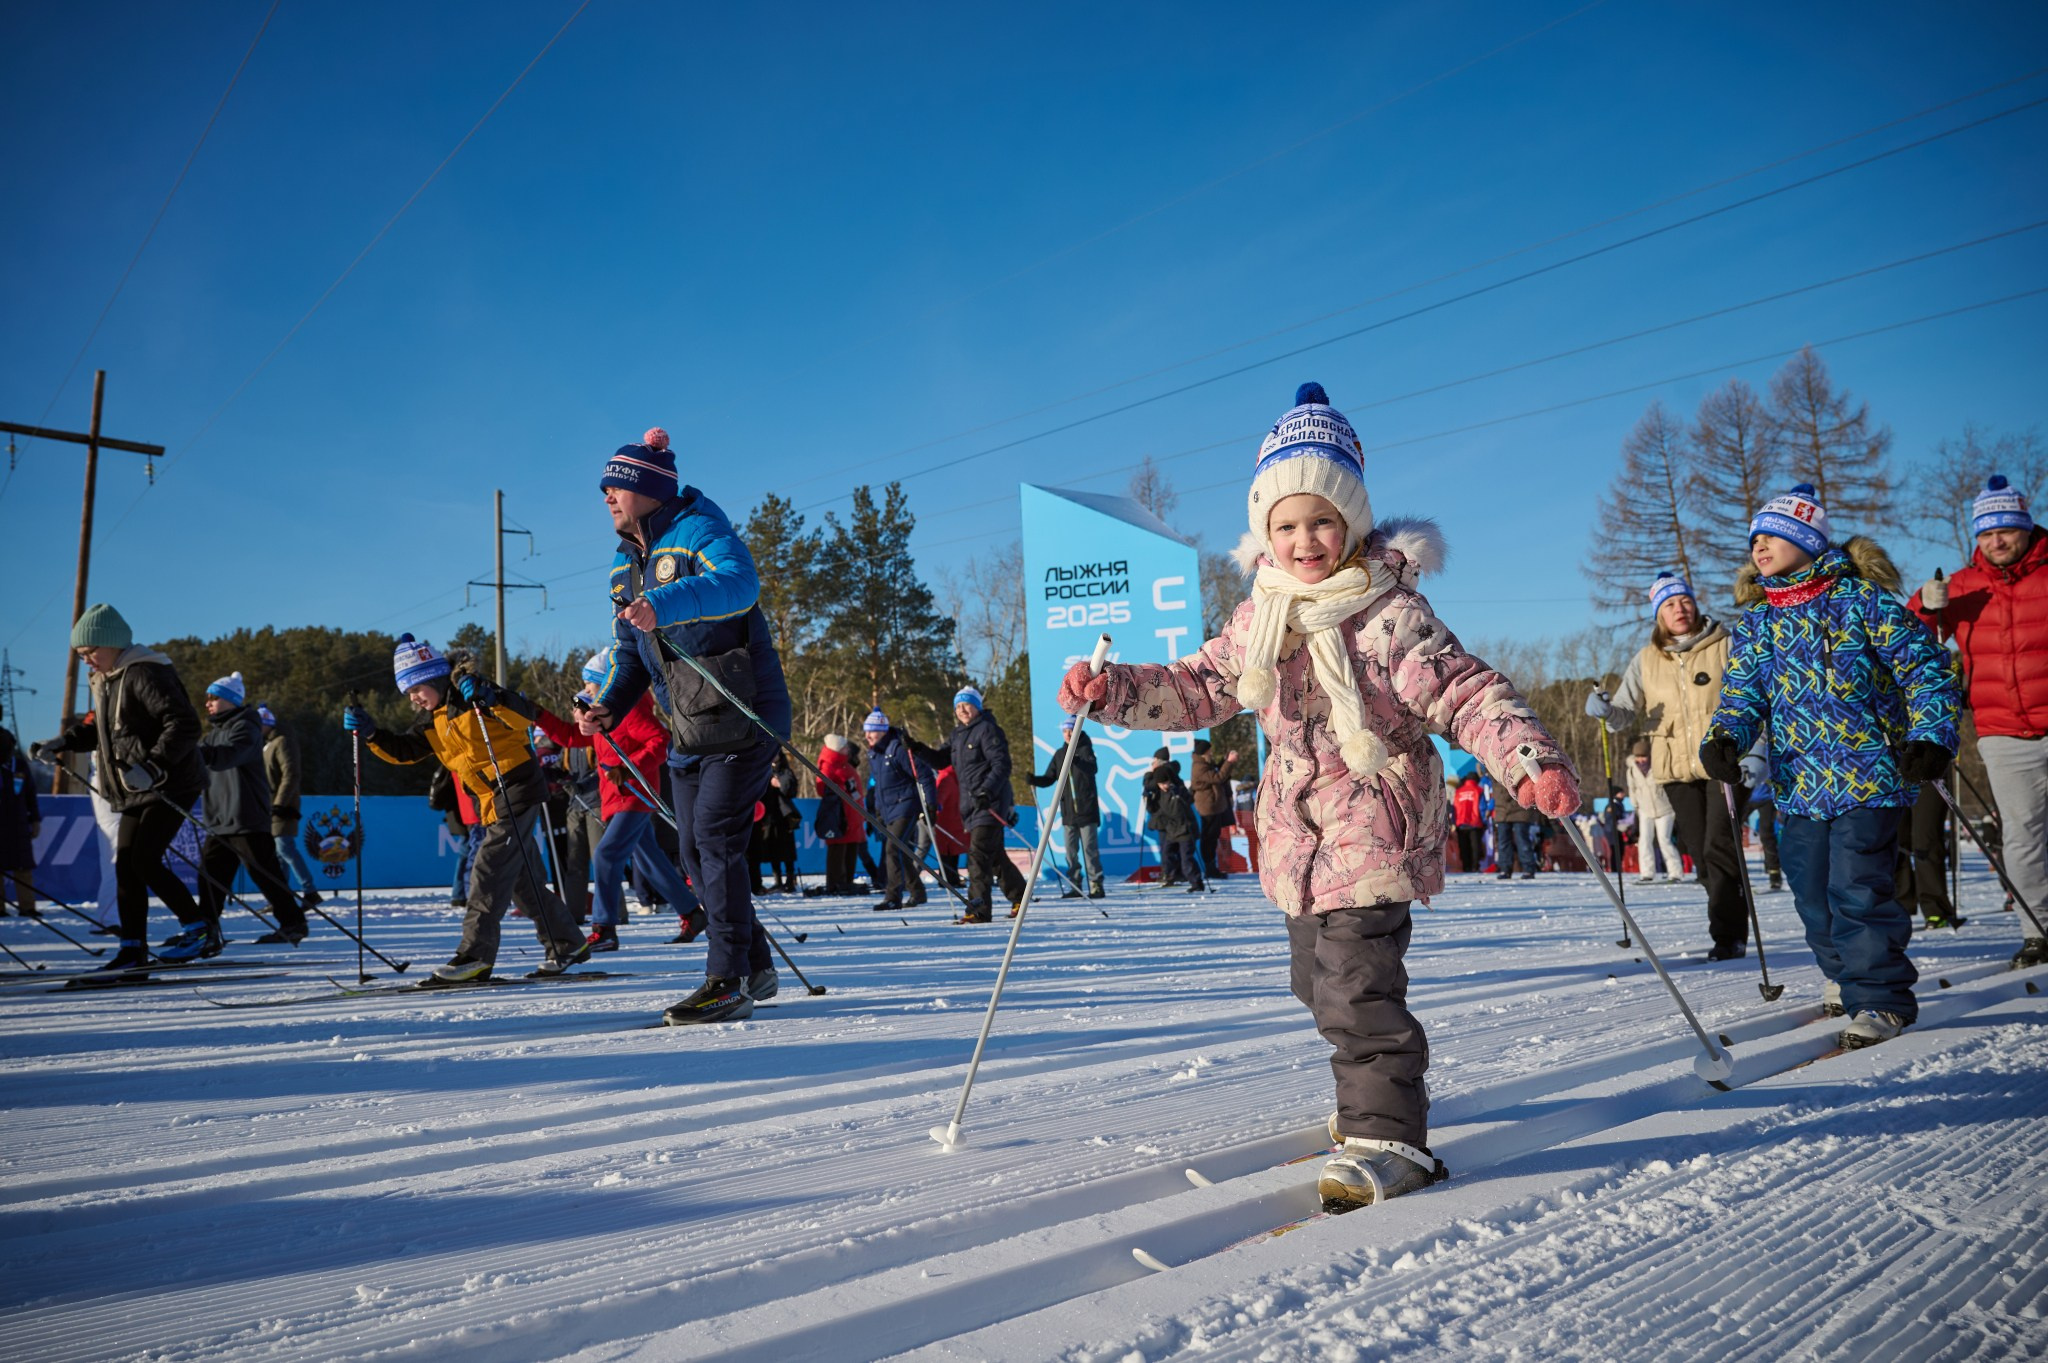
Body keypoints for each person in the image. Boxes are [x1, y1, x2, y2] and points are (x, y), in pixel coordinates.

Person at [1057, 382, 1577, 1211]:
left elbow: (1468, 694)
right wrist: (1112, 690)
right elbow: (1195, 689)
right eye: (1287, 525)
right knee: (1317, 982)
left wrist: (1527, 757)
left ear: (1355, 524)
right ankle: (1376, 1102)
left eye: (1324, 522)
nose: (1306, 540)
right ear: (1265, 532)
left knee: (1357, 986)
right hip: (1299, 840)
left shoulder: (1388, 614)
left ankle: (1389, 1135)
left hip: (1374, 824)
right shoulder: (1261, 615)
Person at [1703, 484, 1960, 1047]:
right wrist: (1725, 737)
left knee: (1858, 887)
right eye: (1755, 539)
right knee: (1810, 891)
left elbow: (1927, 672)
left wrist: (1932, 736)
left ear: (1807, 540)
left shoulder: (1864, 601)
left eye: (1772, 535)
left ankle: (1881, 998)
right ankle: (1843, 977)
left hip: (1870, 772)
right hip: (1798, 783)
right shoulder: (1758, 624)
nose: (1760, 546)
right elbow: (1743, 696)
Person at [577, 427, 792, 1023]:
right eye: (603, 490)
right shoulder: (626, 565)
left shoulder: (699, 529)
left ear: (646, 488)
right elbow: (628, 653)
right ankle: (754, 965)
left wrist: (664, 604)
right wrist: (607, 708)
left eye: (614, 487)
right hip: (690, 724)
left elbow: (740, 584)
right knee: (695, 853)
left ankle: (725, 981)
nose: (606, 498)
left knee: (716, 840)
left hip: (743, 710)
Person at [346, 634, 588, 982]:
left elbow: (523, 718)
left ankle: (475, 955)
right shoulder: (434, 718)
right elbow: (404, 751)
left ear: (433, 678)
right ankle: (567, 943)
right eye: (408, 693)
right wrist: (371, 734)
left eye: (416, 689)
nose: (413, 698)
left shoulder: (471, 692)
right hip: (491, 801)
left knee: (487, 872)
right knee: (524, 883)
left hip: (516, 788)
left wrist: (492, 697)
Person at [1909, 474, 2048, 967]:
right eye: (1986, 534)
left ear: (2027, 529)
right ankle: (2039, 932)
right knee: (2022, 835)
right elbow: (1907, 639)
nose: (1996, 541)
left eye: (2005, 531)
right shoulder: (1962, 587)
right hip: (2003, 730)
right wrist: (1926, 606)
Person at [34, 603, 206, 983]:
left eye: (89, 652)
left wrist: (154, 766)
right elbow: (105, 733)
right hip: (133, 788)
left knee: (143, 860)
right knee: (125, 863)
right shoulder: (108, 680)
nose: (86, 662)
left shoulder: (145, 672)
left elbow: (184, 724)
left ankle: (199, 929)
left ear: (111, 643)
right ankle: (132, 949)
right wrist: (62, 742)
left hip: (168, 783)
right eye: (81, 656)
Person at [1587, 570, 1750, 959]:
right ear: (1659, 614)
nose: (1680, 609)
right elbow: (1625, 711)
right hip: (1675, 768)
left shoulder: (1726, 644)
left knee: (1719, 846)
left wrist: (1754, 751)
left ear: (1696, 604)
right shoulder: (1647, 660)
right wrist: (1607, 710)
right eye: (1670, 604)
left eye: (1685, 601)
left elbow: (1751, 696)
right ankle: (1728, 914)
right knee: (1697, 847)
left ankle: (1728, 935)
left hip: (1722, 763)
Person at [535, 649, 704, 951]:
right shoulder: (603, 715)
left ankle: (604, 928)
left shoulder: (631, 710)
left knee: (606, 855)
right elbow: (572, 737)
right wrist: (537, 714)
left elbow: (660, 740)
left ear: (607, 685)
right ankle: (691, 911)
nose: (586, 692)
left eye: (591, 686)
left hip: (633, 796)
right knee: (649, 860)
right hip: (616, 797)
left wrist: (628, 769)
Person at [168, 672, 313, 957]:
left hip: (246, 817)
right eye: (207, 698)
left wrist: (196, 754)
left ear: (232, 700)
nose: (208, 703)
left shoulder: (247, 727)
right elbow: (201, 762)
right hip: (220, 819)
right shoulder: (213, 733)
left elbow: (228, 756)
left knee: (264, 873)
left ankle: (293, 923)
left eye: (215, 698)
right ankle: (206, 929)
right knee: (210, 878)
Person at [936, 686, 1024, 924]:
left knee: (977, 857)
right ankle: (1021, 897)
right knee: (994, 857)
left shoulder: (987, 729)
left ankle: (978, 909)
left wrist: (988, 791)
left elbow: (1001, 765)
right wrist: (915, 747)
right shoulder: (958, 734)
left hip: (989, 803)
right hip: (972, 805)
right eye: (958, 707)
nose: (963, 710)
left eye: (967, 705)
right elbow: (940, 758)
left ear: (978, 706)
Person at [863, 708, 938, 911]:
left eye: (872, 731)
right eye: (866, 731)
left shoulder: (897, 749)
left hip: (906, 805)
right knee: (902, 851)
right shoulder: (875, 754)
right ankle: (917, 891)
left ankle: (892, 896)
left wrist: (931, 805)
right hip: (889, 809)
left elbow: (925, 776)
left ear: (883, 731)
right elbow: (879, 785)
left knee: (893, 848)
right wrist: (877, 811)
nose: (867, 736)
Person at [1028, 713, 1105, 899]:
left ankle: (1096, 885)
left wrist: (1078, 760)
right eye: (1065, 731)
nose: (1068, 734)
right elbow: (1049, 778)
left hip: (1086, 811)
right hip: (1069, 812)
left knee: (1089, 850)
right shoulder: (1060, 754)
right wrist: (1034, 780)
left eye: (1071, 730)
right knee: (1071, 852)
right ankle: (1075, 885)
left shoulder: (1085, 749)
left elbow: (1092, 768)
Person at [257, 704, 323, 913]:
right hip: (272, 806)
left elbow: (290, 774)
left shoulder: (282, 742)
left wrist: (280, 803)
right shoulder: (267, 745)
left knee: (285, 847)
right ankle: (280, 895)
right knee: (278, 853)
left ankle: (310, 891)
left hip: (282, 807)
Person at [812, 734, 865, 894]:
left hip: (852, 812)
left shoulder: (843, 763)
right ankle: (836, 882)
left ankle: (847, 881)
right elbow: (823, 789)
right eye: (844, 747)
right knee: (838, 848)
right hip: (840, 814)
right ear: (837, 749)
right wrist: (842, 787)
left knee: (851, 848)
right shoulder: (828, 765)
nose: (847, 750)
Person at [1624, 738, 1681, 883]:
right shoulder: (1632, 770)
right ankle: (1647, 873)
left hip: (1665, 809)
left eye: (1643, 757)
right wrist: (1635, 805)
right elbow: (1633, 788)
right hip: (1645, 809)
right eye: (1638, 757)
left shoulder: (1657, 767)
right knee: (1644, 841)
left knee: (1664, 840)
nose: (1641, 760)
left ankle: (1675, 872)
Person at [1145, 758, 1205, 892]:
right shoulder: (1159, 793)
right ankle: (1170, 876)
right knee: (1167, 854)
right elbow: (1154, 810)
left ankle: (1196, 883)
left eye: (1165, 783)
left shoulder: (1178, 789)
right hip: (1171, 830)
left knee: (1186, 860)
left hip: (1185, 829)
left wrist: (1179, 795)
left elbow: (1188, 800)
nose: (1164, 786)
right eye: (1161, 784)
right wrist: (1148, 799)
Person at [0, 726, 40, 917]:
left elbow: (30, 794)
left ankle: (28, 906)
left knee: (23, 866)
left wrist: (35, 819)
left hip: (18, 822)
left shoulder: (19, 766)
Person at [1189, 738, 1239, 880]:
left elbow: (1217, 772)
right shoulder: (1199, 766)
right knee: (1209, 838)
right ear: (1204, 752)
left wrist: (1225, 761)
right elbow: (1217, 778)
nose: (1211, 753)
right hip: (1208, 807)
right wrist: (1229, 762)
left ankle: (1212, 867)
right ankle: (1210, 868)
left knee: (1213, 836)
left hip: (1213, 805)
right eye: (1209, 751)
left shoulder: (1204, 764)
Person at [1488, 770, 1539, 880]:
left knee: (1521, 839)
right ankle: (1505, 869)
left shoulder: (1517, 766)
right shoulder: (1494, 767)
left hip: (1519, 808)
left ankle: (1528, 869)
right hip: (1502, 810)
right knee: (1503, 841)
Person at [1451, 772, 1485, 873]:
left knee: (1464, 846)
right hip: (1475, 822)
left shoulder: (1458, 791)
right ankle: (1475, 867)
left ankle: (1466, 866)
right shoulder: (1479, 790)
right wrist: (1484, 822)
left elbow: (1454, 808)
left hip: (1461, 823)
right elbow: (1482, 807)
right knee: (1475, 846)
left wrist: (1454, 821)